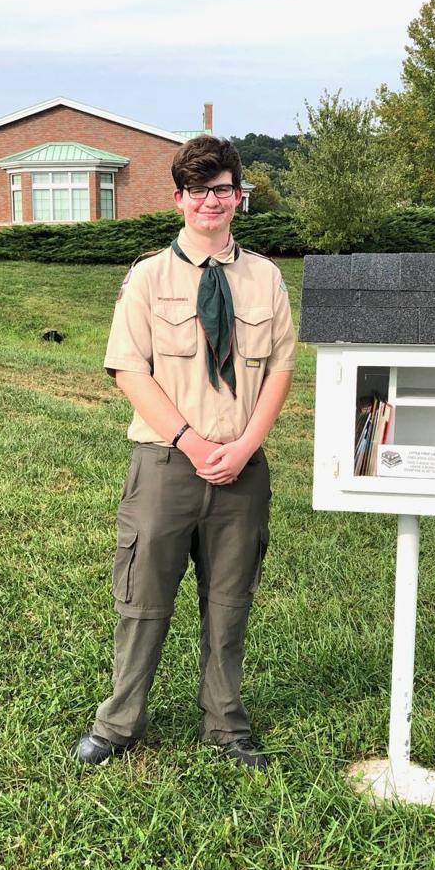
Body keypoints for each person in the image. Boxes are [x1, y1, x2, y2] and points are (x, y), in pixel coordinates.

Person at [74, 135, 296, 770]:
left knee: (229, 604)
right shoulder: (149, 276)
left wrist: (246, 445)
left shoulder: (266, 278)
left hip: (242, 469)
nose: (211, 202)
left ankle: (226, 726)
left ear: (238, 196)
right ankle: (118, 724)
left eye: (223, 189)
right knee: (142, 600)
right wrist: (192, 442)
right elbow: (129, 372)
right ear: (179, 199)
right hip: (167, 466)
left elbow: (280, 369)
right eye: (199, 191)